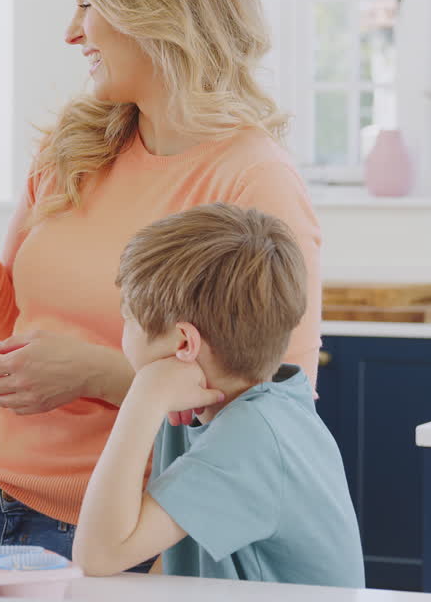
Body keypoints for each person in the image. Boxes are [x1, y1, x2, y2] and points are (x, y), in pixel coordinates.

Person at [0, 0, 324, 559]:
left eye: (88, 4)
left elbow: (274, 409)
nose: (72, 33)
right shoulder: (71, 147)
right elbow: (9, 339)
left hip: (108, 527)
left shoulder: (252, 179)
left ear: (155, 10)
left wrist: (102, 376)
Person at [73, 204, 363, 584]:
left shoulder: (253, 436)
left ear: (183, 342)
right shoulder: (240, 400)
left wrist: (143, 398)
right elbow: (177, 558)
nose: (122, 333)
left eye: (128, 319)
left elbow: (97, 555)